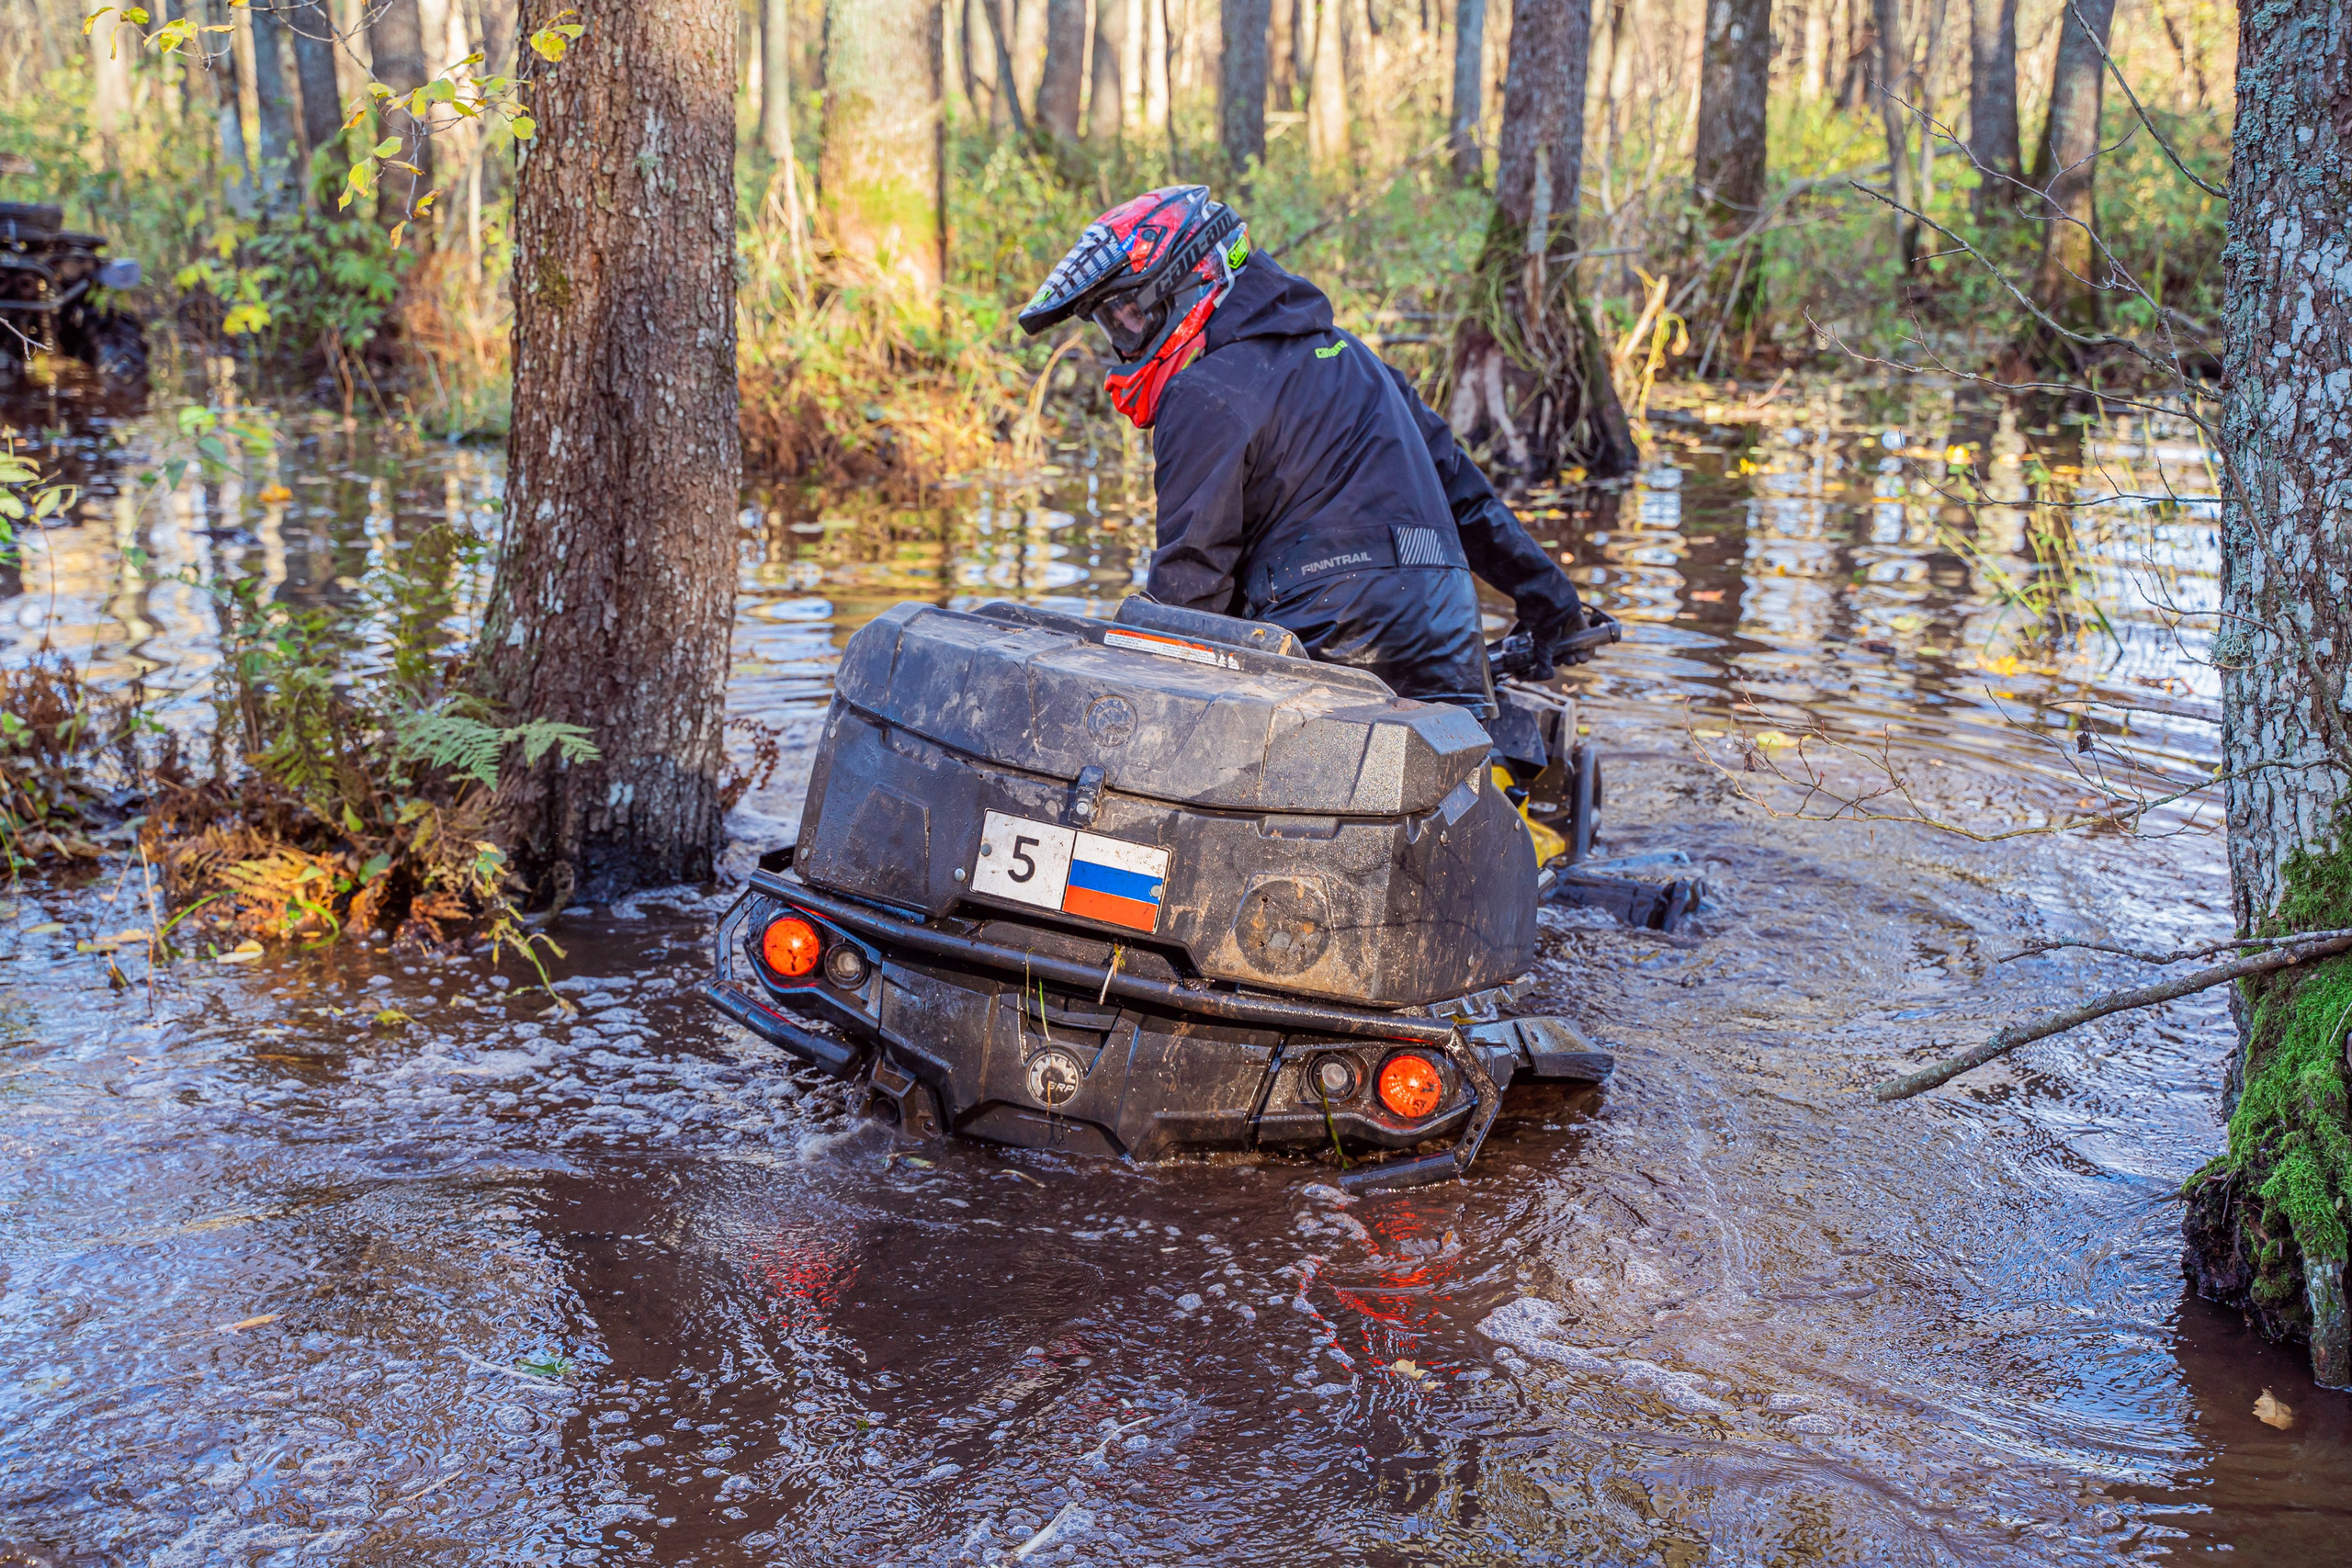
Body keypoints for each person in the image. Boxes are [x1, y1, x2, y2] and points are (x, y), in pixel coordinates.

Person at [1019, 184, 1600, 714]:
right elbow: (1470, 503)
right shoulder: (1364, 364)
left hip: (1318, 655)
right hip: (1449, 640)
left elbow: (1192, 583)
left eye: (1128, 314)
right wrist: (1553, 606)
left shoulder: (1205, 394)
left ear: (1189, 281)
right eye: (1109, 322)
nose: (1123, 338)